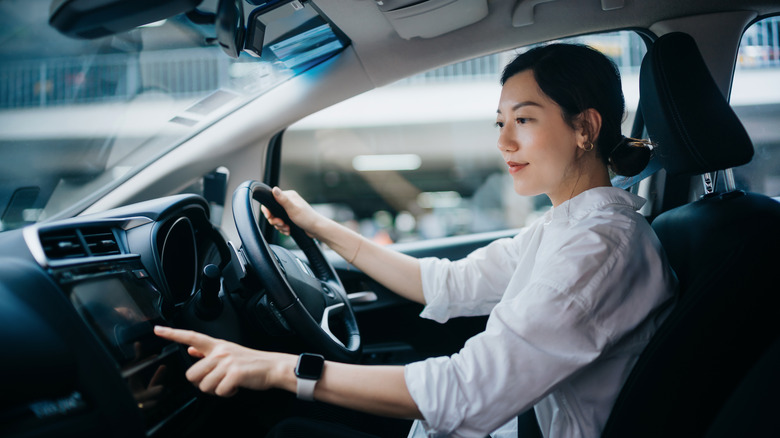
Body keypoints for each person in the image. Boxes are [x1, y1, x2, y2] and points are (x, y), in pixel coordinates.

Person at [155, 43, 677, 437]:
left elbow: (469, 390)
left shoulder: (598, 249)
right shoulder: (565, 228)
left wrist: (277, 369)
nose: (503, 142)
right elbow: (445, 282)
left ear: (585, 127)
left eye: (523, 120)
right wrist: (317, 226)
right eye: (500, 123)